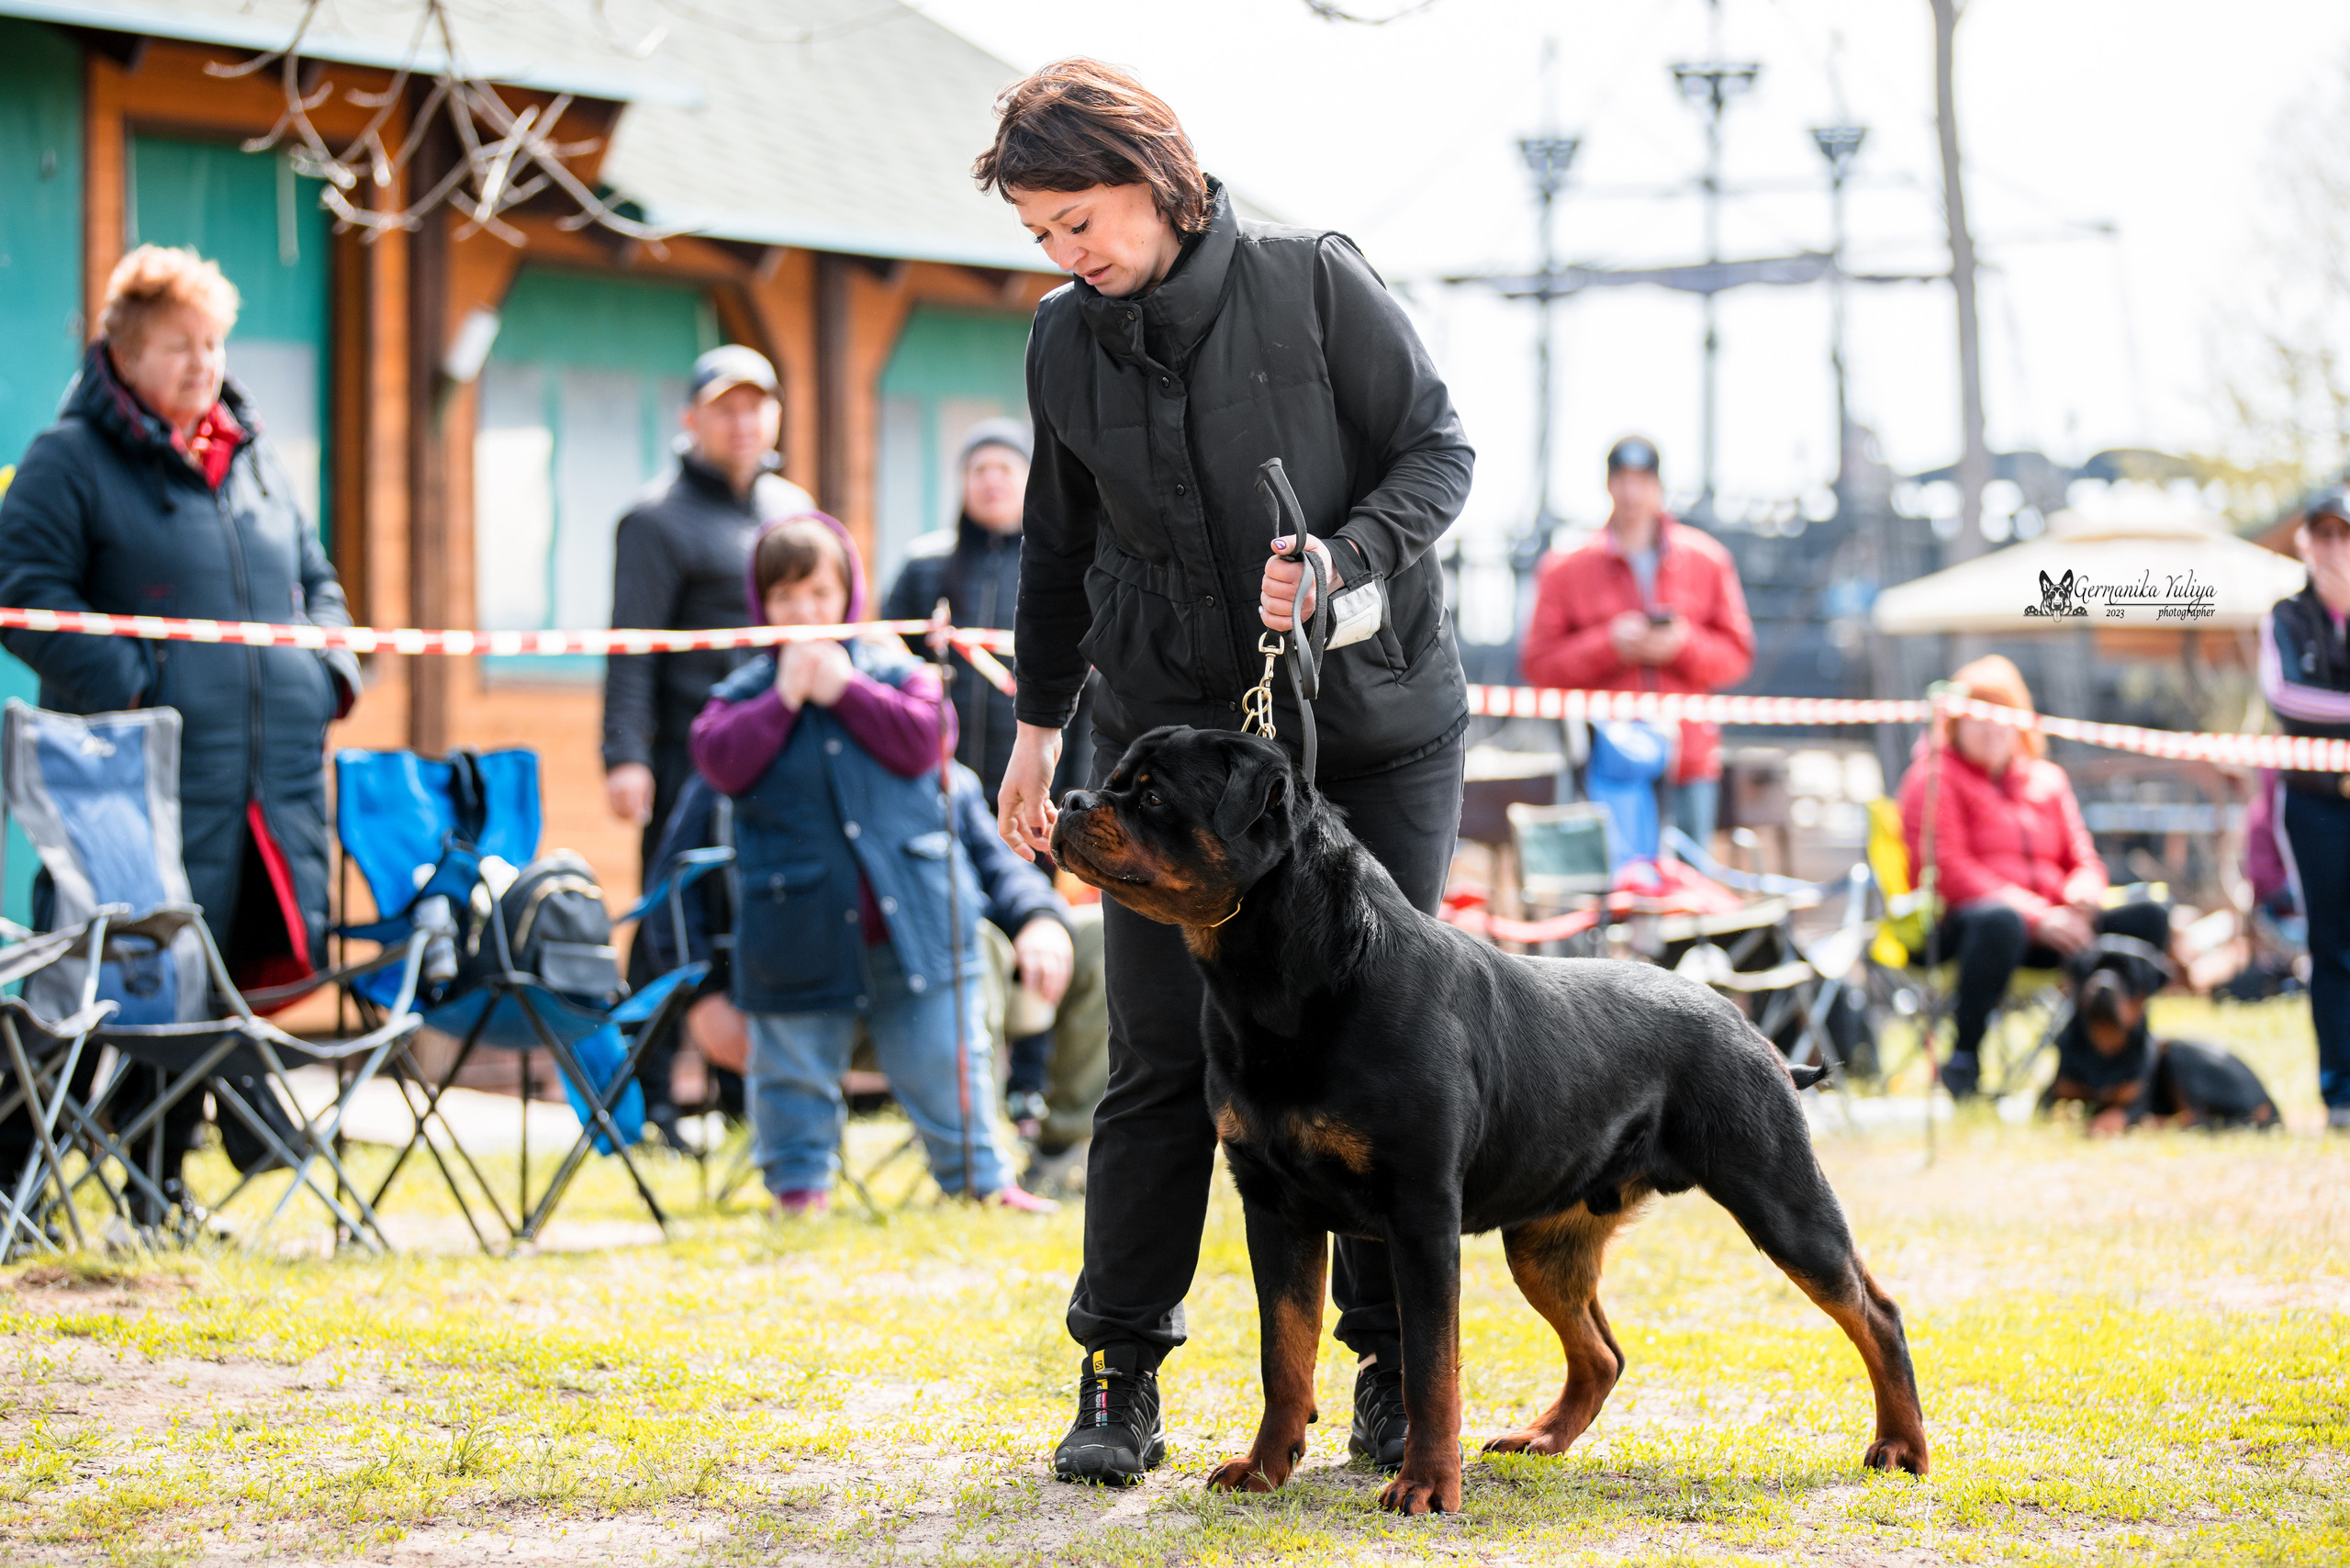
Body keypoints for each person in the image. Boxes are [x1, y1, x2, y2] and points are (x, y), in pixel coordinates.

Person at [974, 60, 1475, 1484]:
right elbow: (1057, 550)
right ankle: (1118, 1373)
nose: (1071, 257)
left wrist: (1337, 561)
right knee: (1156, 1054)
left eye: (1083, 220)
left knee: (1385, 1061)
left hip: (1373, 732)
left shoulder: (1313, 283)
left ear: (1158, 177)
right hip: (1169, 739)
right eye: (1043, 236)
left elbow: (1441, 452)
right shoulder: (1062, 343)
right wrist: (1035, 726)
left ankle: (1386, 1379)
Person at [0, 244, 360, 1207]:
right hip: (137, 780)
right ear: (122, 352)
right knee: (108, 978)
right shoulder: (66, 460)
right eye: (177, 347)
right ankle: (18, 1183)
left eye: (212, 345)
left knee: (219, 975)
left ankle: (157, 1191)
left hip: (262, 782)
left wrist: (325, 672)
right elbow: (27, 596)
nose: (203, 366)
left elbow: (317, 582)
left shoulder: (255, 460)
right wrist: (135, 683)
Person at [688, 510, 1055, 1214]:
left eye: (820, 594)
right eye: (787, 597)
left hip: (914, 916)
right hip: (798, 927)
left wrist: (844, 691)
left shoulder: (896, 670)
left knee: (948, 1059)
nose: (805, 612)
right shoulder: (740, 695)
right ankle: (799, 1190)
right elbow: (719, 758)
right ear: (762, 606)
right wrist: (786, 696)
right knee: (791, 1065)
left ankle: (982, 1182)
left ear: (848, 595)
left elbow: (927, 741)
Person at [602, 344, 812, 1133]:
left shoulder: (790, 510)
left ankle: (737, 1098)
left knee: (753, 917)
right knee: (671, 926)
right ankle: (644, 1099)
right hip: (686, 766)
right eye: (725, 406)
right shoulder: (655, 519)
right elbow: (632, 646)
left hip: (779, 761)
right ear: (691, 420)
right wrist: (623, 756)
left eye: (756, 404)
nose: (743, 421)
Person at [881, 419, 1103, 1141]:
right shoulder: (924, 569)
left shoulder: (1059, 562)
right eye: (979, 469)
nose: (993, 480)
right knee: (964, 932)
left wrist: (1077, 797)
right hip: (944, 800)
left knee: (1040, 927)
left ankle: (1029, 1090)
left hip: (1040, 791)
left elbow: (1089, 689)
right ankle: (956, 1086)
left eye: (1007, 468)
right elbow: (884, 670)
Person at [1896, 655, 2168, 1100]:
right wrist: (2039, 917)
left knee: (2150, 916)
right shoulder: (1931, 779)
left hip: (2062, 929)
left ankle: (2119, 1054)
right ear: (1955, 726)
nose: (1991, 730)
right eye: (1977, 720)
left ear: (2020, 724)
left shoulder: (2049, 780)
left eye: (2001, 719)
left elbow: (2082, 856)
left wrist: (2083, 896)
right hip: (1971, 932)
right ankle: (1964, 1058)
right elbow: (1949, 871)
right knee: (1998, 920)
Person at [1519, 436, 1754, 849]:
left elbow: (1737, 656)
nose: (1631, 492)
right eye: (1621, 480)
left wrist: (1683, 645)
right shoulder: (1564, 569)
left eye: (1641, 480)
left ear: (1657, 485)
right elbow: (1539, 664)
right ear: (1608, 485)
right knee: (1608, 897)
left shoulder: (1708, 560)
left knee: (1687, 894)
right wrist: (1609, 645)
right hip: (1603, 768)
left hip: (1688, 765)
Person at [2257, 485, 2350, 1131]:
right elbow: (2287, 698)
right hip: (2316, 806)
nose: (2334, 548)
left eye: (2345, 535)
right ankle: (2341, 1092)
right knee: (2333, 946)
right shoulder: (2285, 618)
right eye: (2323, 535)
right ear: (2304, 543)